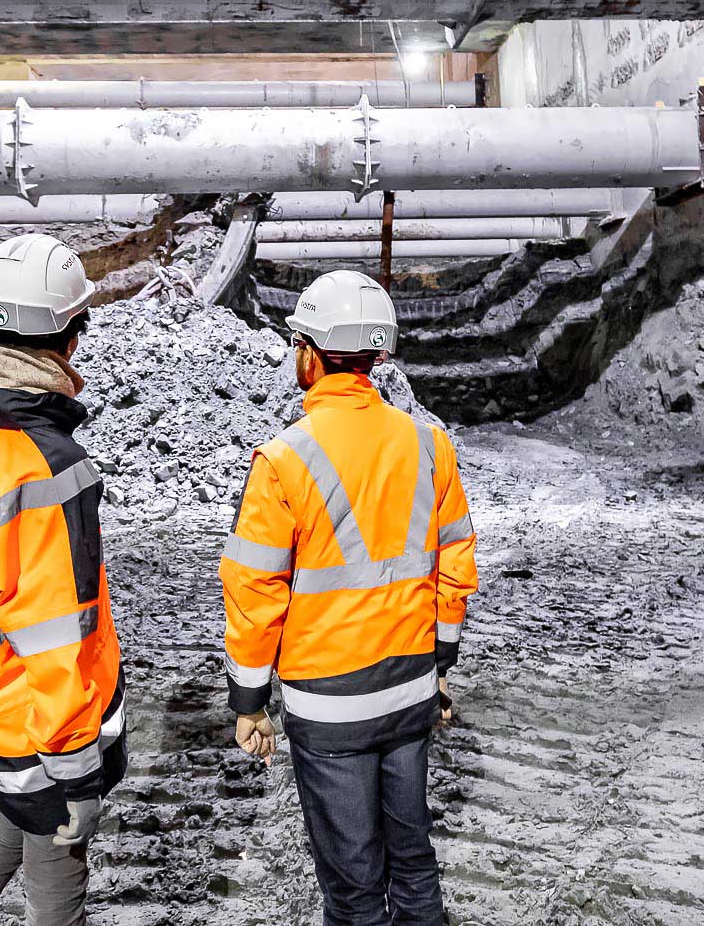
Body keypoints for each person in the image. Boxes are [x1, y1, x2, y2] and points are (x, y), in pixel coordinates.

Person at [220, 269, 478, 926]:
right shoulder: (427, 442)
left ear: (309, 353)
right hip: (412, 690)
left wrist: (249, 704)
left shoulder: (283, 460)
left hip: (331, 707)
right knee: (413, 860)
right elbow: (455, 565)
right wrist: (441, 669)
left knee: (354, 883)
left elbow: (254, 591)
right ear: (375, 355)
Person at [0, 233, 124, 926]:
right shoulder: (52, 466)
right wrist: (76, 777)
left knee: (5, 828)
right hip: (41, 732)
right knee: (56, 890)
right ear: (72, 335)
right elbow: (55, 637)